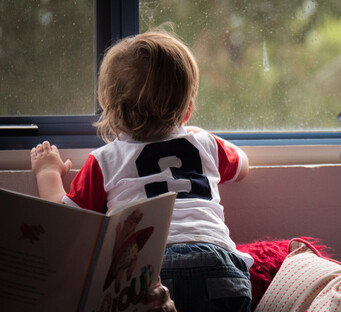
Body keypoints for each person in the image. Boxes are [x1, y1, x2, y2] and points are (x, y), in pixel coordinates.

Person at [30, 31, 253, 311]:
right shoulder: (205, 144)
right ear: (187, 110)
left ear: (109, 107)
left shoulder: (104, 160)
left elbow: (65, 222)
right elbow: (243, 164)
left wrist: (47, 172)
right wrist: (198, 134)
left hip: (152, 271)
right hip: (220, 265)